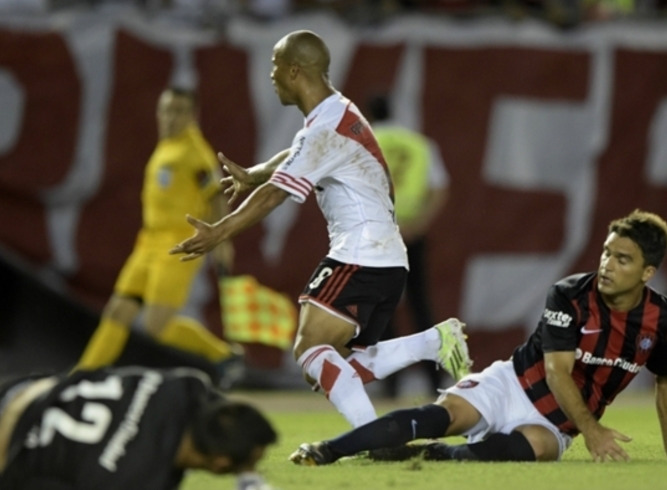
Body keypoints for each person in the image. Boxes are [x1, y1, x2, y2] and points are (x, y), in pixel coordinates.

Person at [170, 30, 472, 428]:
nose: (272, 74)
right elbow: (298, 150)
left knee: (310, 350)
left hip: (360, 253)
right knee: (336, 365)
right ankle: (433, 342)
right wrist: (256, 173)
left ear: (295, 70)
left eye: (276, 65)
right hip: (387, 256)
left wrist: (219, 231)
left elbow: (276, 194)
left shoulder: (324, 129)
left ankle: (373, 434)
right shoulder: (337, 113)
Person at [289, 209, 667, 464]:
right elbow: (556, 372)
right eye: (606, 253)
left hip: (556, 424)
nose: (607, 265)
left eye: (622, 259)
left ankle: (435, 455)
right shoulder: (571, 295)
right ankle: (328, 450)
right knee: (441, 416)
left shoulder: (665, 321)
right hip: (510, 384)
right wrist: (594, 431)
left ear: (648, 273)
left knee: (534, 447)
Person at [76, 87, 244, 389]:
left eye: (179, 111)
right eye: (166, 110)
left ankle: (223, 355)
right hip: (147, 243)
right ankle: (81, 377)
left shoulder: (195, 152)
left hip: (177, 244)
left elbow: (216, 195)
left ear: (193, 116)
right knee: (118, 311)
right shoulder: (167, 146)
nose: (170, 117)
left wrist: (222, 238)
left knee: (156, 326)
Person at [0, 367, 288, 490]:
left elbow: (222, 407)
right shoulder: (138, 486)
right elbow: (20, 488)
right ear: (220, 462)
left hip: (21, 389)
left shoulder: (185, 387)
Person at [367, 93, 450, 398]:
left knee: (381, 306)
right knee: (421, 306)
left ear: (370, 114)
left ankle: (390, 382)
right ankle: (434, 379)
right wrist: (419, 224)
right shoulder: (420, 144)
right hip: (413, 234)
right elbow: (439, 189)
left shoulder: (366, 143)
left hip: (380, 233)